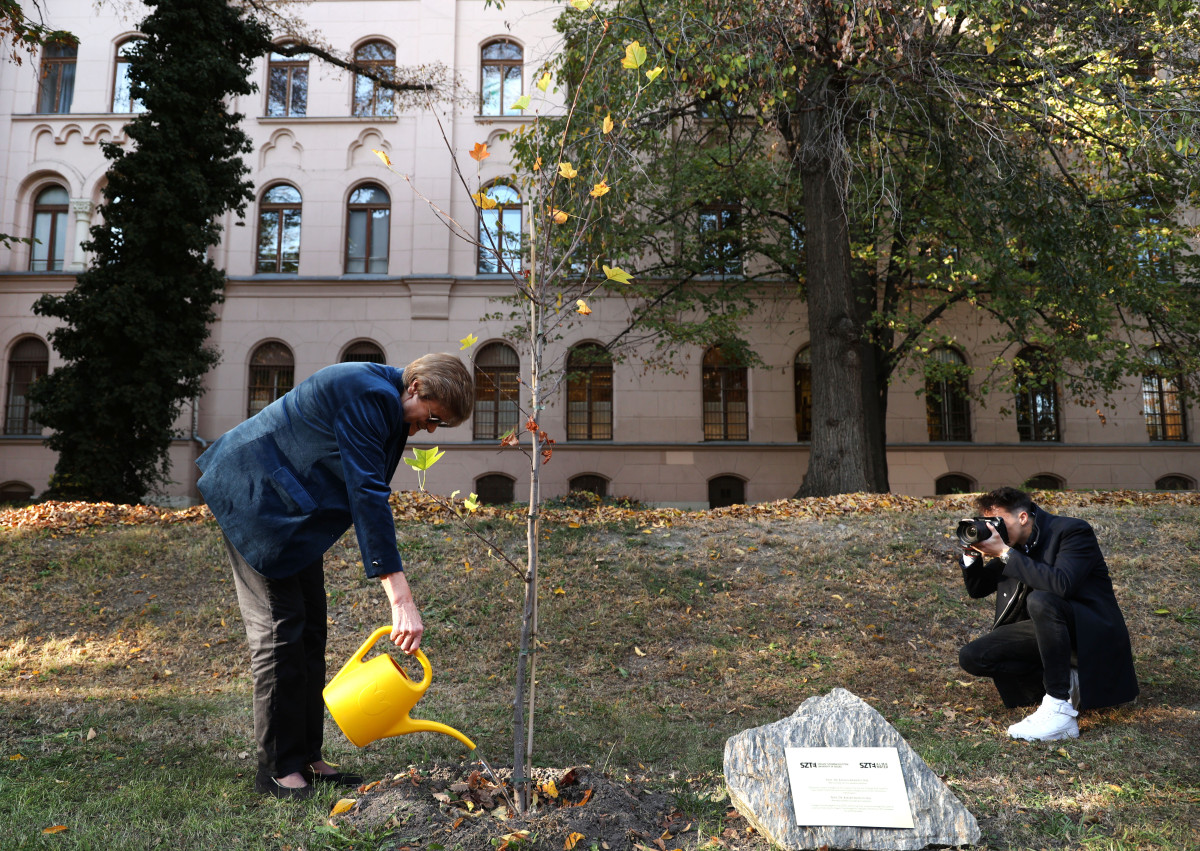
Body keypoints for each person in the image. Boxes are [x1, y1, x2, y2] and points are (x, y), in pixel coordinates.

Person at [196, 354, 474, 799]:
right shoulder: (366, 392)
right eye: (435, 418)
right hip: (257, 500)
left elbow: (368, 487)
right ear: (418, 387)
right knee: (280, 633)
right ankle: (277, 770)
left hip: (293, 513)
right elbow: (366, 494)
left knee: (310, 632)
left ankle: (306, 757)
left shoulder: (390, 404)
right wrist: (400, 598)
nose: (430, 429)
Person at [956, 487, 1138, 742]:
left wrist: (1005, 553)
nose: (994, 529)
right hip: (1047, 630)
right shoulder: (1013, 544)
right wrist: (971, 554)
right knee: (973, 656)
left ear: (1022, 517)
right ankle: (1065, 685)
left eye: (998, 522)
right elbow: (978, 589)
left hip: (1086, 631)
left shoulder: (1071, 532)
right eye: (987, 523)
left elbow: (1062, 584)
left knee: (1042, 599)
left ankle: (1060, 706)